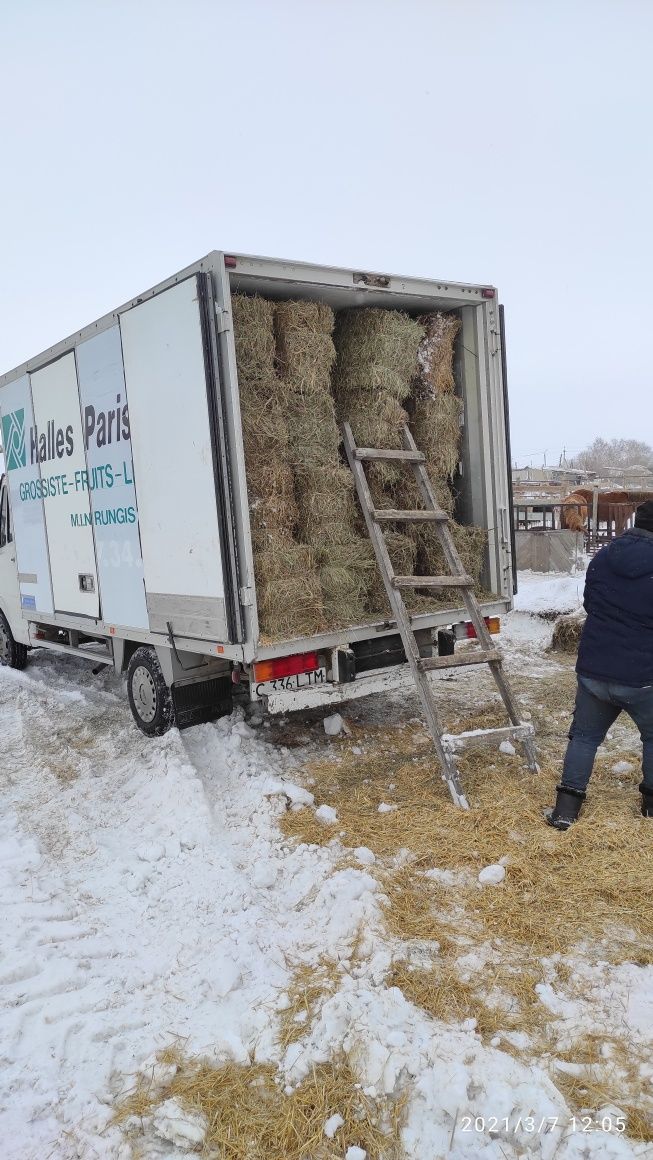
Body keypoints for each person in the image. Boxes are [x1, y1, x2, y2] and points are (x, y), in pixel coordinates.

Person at [547, 500, 653, 830]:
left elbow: (590, 603)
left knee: (584, 738)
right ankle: (650, 809)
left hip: (594, 670)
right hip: (642, 676)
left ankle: (565, 811)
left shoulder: (604, 556)